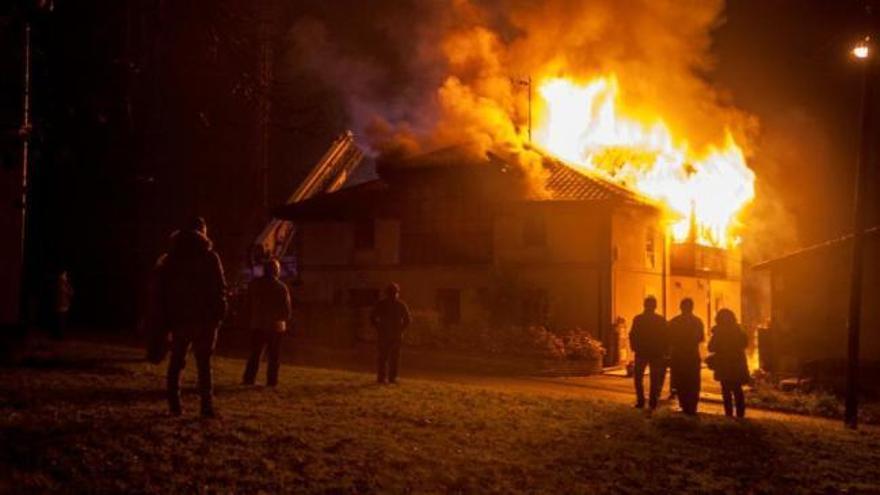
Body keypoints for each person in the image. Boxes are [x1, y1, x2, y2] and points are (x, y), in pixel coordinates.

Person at [157, 217, 227, 417]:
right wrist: (219, 314)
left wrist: (167, 317)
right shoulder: (210, 257)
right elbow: (219, 288)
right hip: (205, 319)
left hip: (180, 318)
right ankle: (206, 406)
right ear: (202, 232)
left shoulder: (172, 258)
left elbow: (164, 290)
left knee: (177, 362)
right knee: (204, 365)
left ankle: (175, 406)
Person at [242, 259, 292, 387]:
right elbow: (286, 311)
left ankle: (249, 379)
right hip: (275, 327)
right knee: (273, 357)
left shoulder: (254, 285)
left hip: (257, 324)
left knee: (255, 354)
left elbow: (247, 306)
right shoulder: (281, 287)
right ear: (276, 271)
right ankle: (271, 381)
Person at [708, 308, 750, 418]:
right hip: (737, 364)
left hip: (723, 364)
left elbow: (711, 347)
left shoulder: (719, 331)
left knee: (726, 390)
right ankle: (740, 415)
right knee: (737, 389)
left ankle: (729, 415)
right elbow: (745, 344)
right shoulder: (737, 330)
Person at [629, 296, 668, 411]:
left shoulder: (638, 319)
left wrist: (634, 347)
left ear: (644, 305)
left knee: (638, 377)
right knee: (655, 378)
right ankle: (653, 402)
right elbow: (665, 337)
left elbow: (633, 334)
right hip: (656, 353)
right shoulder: (660, 320)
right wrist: (664, 350)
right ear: (655, 306)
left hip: (641, 352)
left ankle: (641, 401)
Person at [668, 298, 705, 415]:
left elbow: (668, 339)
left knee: (680, 382)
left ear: (681, 307)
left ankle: (684, 406)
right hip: (692, 355)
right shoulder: (698, 321)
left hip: (678, 356)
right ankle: (692, 407)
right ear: (692, 307)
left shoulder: (674, 321)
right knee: (693, 382)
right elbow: (700, 338)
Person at [370, 283, 411, 384]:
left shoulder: (381, 304)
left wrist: (378, 327)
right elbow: (408, 320)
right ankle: (392, 378)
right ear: (396, 293)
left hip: (384, 335)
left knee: (383, 357)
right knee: (394, 358)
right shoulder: (401, 305)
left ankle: (381, 378)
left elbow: (372, 317)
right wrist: (401, 330)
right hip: (396, 335)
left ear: (386, 293)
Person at [53, 270, 74, 340]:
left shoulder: (65, 284)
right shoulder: (60, 283)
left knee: (62, 320)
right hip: (60, 304)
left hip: (64, 304)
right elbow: (63, 292)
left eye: (65, 275)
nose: (65, 276)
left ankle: (61, 335)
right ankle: (59, 335)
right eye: (64, 275)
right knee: (60, 320)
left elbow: (71, 292)